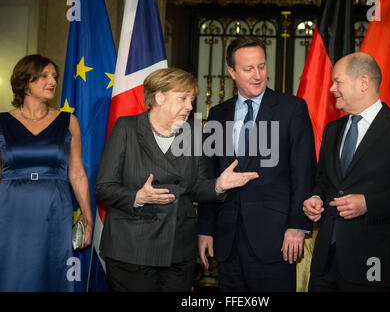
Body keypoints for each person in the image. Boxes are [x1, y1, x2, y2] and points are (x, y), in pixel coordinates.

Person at [95, 67, 258, 292]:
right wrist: (138, 197)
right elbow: (104, 188)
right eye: (182, 98)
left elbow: (197, 188)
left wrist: (219, 185)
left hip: (178, 251)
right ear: (159, 97)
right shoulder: (127, 128)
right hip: (132, 249)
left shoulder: (192, 132)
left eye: (192, 99)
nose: (190, 107)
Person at [302, 52, 390, 292]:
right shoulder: (333, 129)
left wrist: (368, 203)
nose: (331, 88)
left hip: (374, 261)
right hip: (325, 262)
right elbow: (323, 178)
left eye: (337, 81)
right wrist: (316, 197)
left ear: (363, 82)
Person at [197, 36, 316, 292]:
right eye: (248, 68)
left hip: (276, 239)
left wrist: (297, 225)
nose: (258, 75)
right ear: (232, 71)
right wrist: (205, 229)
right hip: (227, 240)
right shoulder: (218, 114)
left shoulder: (292, 108)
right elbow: (210, 175)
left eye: (261, 66)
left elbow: (304, 170)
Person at [0, 54, 93, 291]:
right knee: (12, 271)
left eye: (54, 76)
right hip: (11, 209)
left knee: (53, 272)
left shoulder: (68, 121)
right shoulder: (2, 122)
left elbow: (77, 172)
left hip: (55, 207)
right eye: (44, 75)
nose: (52, 80)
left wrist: (87, 216)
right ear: (25, 81)